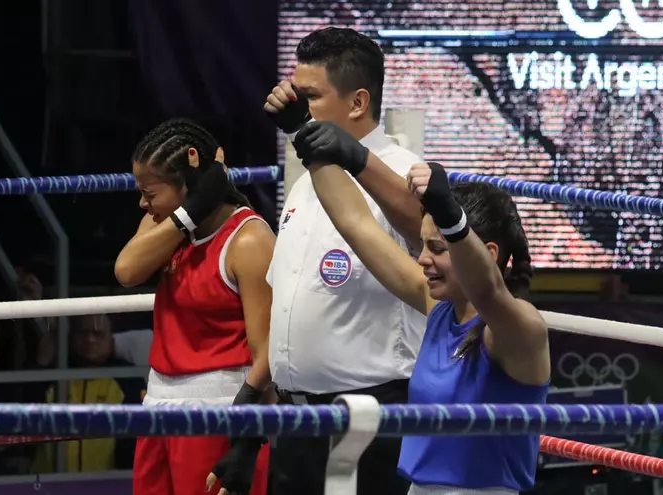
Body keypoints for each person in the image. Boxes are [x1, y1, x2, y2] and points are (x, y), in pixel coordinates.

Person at [292, 121, 551, 495]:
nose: (423, 260)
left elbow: (489, 292)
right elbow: (356, 224)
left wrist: (452, 216)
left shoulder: (518, 327)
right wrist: (310, 140)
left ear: (490, 254)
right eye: (424, 246)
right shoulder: (440, 310)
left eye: (438, 248)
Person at [263, 26, 425, 495]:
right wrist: (253, 404)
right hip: (296, 419)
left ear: (357, 103)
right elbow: (287, 301)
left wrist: (308, 134)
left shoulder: (402, 169)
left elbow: (421, 221)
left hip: (370, 415)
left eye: (308, 96)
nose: (292, 104)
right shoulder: (301, 183)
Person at [114, 118, 275, 495]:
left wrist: (248, 436)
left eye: (150, 193)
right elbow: (127, 270)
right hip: (158, 407)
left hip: (217, 412)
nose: (143, 203)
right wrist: (191, 211)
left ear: (187, 182)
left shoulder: (248, 240)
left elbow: (267, 349)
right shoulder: (167, 228)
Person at [29, 314, 145, 473]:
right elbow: (25, 419)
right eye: (83, 332)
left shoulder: (128, 378)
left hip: (106, 486)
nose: (90, 339)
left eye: (98, 334)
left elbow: (137, 440)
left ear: (111, 340)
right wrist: (40, 364)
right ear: (71, 337)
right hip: (47, 484)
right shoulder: (54, 374)